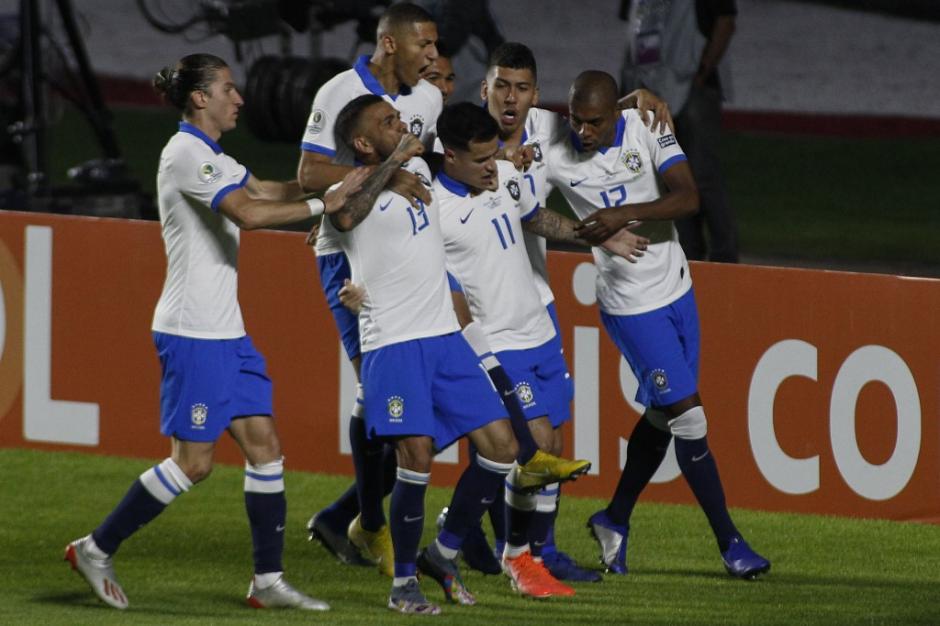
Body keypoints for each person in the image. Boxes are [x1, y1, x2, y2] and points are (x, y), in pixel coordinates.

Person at [63, 53, 366, 612]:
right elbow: (248, 214)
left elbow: (267, 192)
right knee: (194, 463)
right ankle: (95, 548)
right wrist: (324, 204)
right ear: (200, 98)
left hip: (228, 332)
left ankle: (267, 581)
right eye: (229, 88)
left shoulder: (212, 155)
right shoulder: (184, 155)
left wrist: (348, 181)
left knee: (266, 450)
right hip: (193, 333)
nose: (240, 98)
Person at [327, 95, 587, 614]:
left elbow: (476, 156)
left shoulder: (423, 165)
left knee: (501, 447)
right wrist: (392, 167)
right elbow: (344, 217)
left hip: (444, 336)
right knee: (417, 457)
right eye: (386, 122)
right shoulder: (347, 190)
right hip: (394, 342)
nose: (400, 124)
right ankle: (403, 584)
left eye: (398, 117)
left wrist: (516, 157)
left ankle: (442, 553)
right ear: (361, 143)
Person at [544, 70, 770, 579]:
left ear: (615, 113)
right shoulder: (556, 149)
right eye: (576, 120)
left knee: (665, 416)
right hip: (630, 303)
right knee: (689, 417)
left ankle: (614, 518)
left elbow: (689, 197)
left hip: (678, 289)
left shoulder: (645, 121)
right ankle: (730, 544)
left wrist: (622, 214)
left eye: (594, 122)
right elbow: (511, 160)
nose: (582, 132)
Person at [469, 41, 672, 583]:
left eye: (522, 88)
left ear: (536, 96)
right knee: (522, 440)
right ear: (482, 89)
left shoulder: (546, 127)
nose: (510, 99)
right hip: (486, 318)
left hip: (538, 305)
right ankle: (496, 545)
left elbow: (596, 117)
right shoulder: (463, 143)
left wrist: (639, 97)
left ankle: (534, 547)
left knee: (547, 438)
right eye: (501, 87)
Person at [431, 102, 646, 598]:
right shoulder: (433, 209)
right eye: (481, 159)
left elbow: (533, 217)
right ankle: (516, 558)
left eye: (495, 155)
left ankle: (498, 551)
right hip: (498, 341)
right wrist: (479, 355)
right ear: (450, 157)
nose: (494, 165)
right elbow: (452, 295)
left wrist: (596, 237)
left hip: (539, 334)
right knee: (534, 446)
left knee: (549, 448)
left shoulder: (505, 174)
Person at [297, 2, 444, 576]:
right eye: (424, 46)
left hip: (412, 255)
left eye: (435, 47)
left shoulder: (427, 99)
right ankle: (369, 524)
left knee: (422, 400)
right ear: (390, 45)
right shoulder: (339, 91)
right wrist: (387, 176)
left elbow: (431, 164)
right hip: (350, 258)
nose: (432, 57)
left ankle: (350, 517)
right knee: (383, 396)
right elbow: (309, 173)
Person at [619, 0, 739, 262]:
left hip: (692, 89)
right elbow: (635, 28)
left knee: (703, 178)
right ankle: (688, 254)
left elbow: (725, 21)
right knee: (668, 181)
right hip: (651, 89)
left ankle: (725, 258)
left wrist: (703, 71)